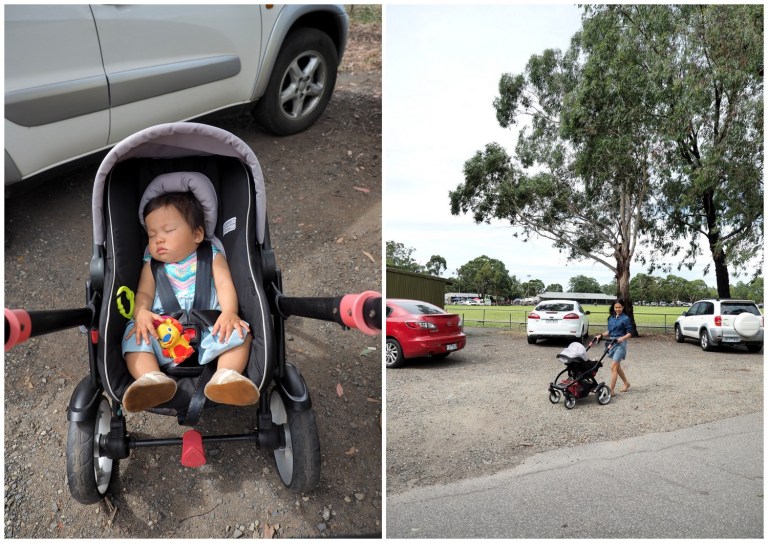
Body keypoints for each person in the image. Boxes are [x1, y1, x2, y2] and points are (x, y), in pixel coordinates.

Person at [120, 190, 259, 412]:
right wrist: (142, 313)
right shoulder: (151, 265)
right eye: (152, 234)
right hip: (163, 334)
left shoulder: (212, 256)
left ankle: (225, 377)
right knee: (134, 334)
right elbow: (144, 295)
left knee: (240, 332)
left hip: (210, 329)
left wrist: (230, 312)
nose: (159, 239)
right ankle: (152, 380)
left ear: (196, 235)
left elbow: (224, 285)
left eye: (168, 230)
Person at [596, 298, 633, 395]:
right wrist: (601, 335)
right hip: (611, 343)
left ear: (623, 307)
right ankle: (626, 383)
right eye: (616, 307)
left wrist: (623, 338)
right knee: (617, 366)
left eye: (619, 307)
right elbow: (609, 332)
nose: (617, 309)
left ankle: (611, 391)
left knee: (613, 366)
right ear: (613, 307)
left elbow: (630, 333)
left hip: (620, 344)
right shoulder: (611, 318)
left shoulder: (626, 319)